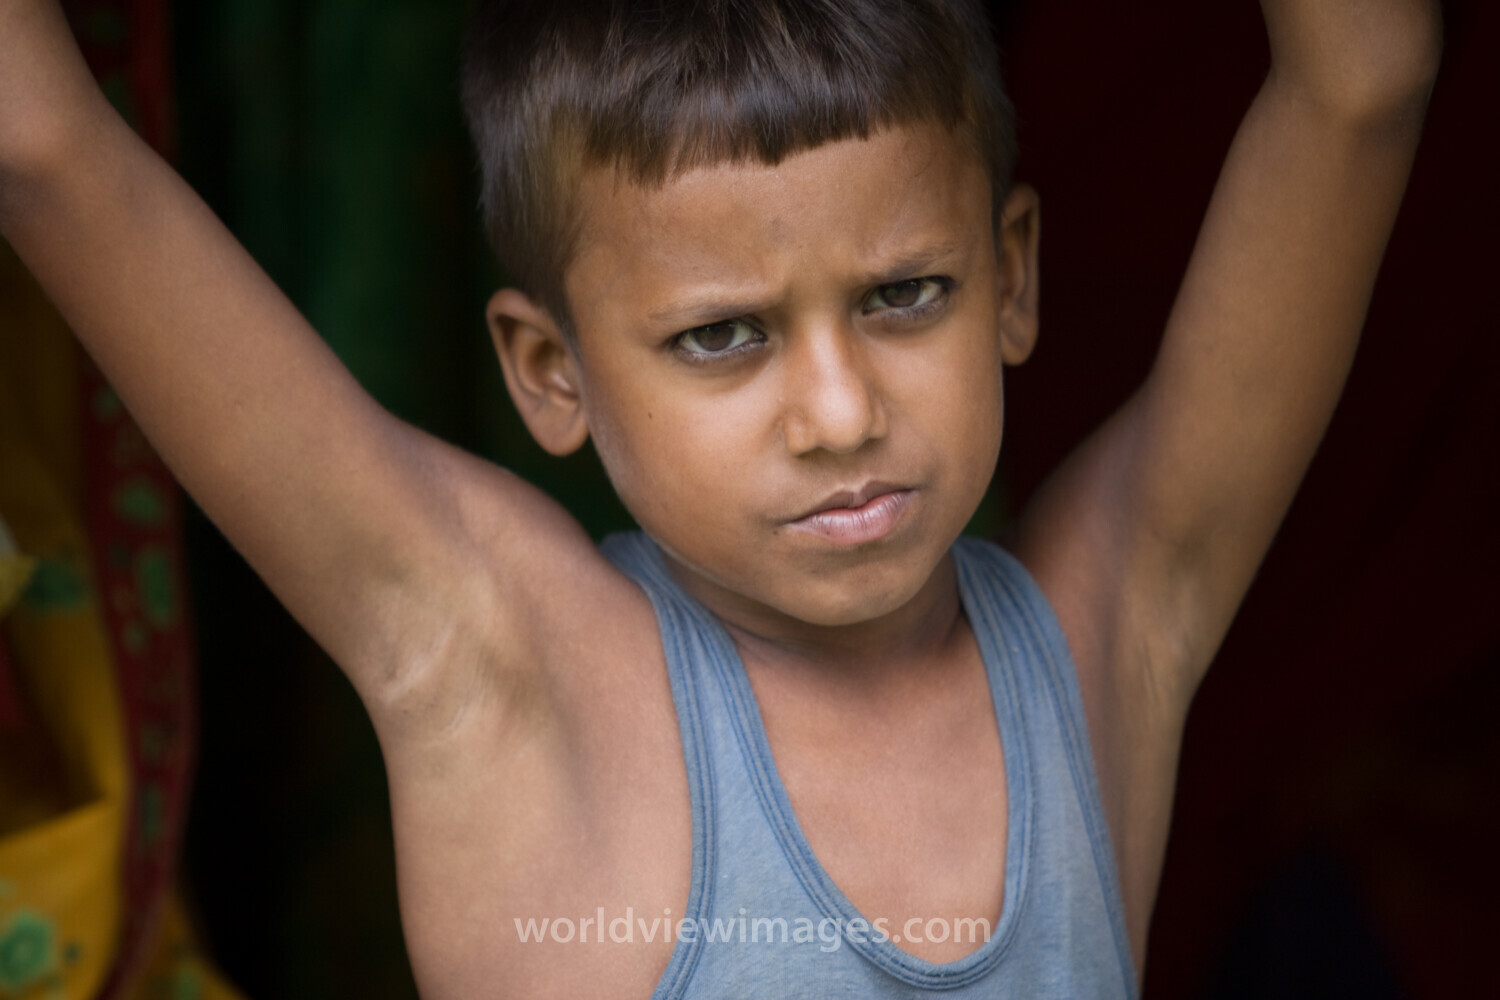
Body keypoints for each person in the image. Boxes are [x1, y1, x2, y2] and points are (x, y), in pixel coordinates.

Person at [0, 0, 1440, 996]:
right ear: (548, 373)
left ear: (1013, 277)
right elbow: (45, 150)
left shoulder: (1103, 631)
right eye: (723, 336)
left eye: (905, 296)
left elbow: (1362, 81)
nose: (840, 412)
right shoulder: (494, 663)